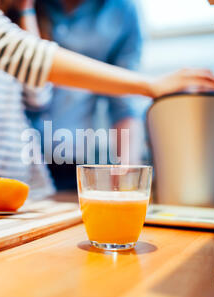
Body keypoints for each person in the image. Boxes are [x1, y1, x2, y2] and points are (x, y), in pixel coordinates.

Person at [0, 0, 214, 206]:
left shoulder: (1, 15)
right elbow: (27, 56)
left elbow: (37, 91)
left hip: (19, 190)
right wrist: (148, 84)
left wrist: (25, 8)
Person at [28, 0, 146, 190]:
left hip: (70, 158)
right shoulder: (20, 6)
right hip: (12, 156)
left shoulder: (122, 10)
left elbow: (124, 105)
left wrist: (127, 172)